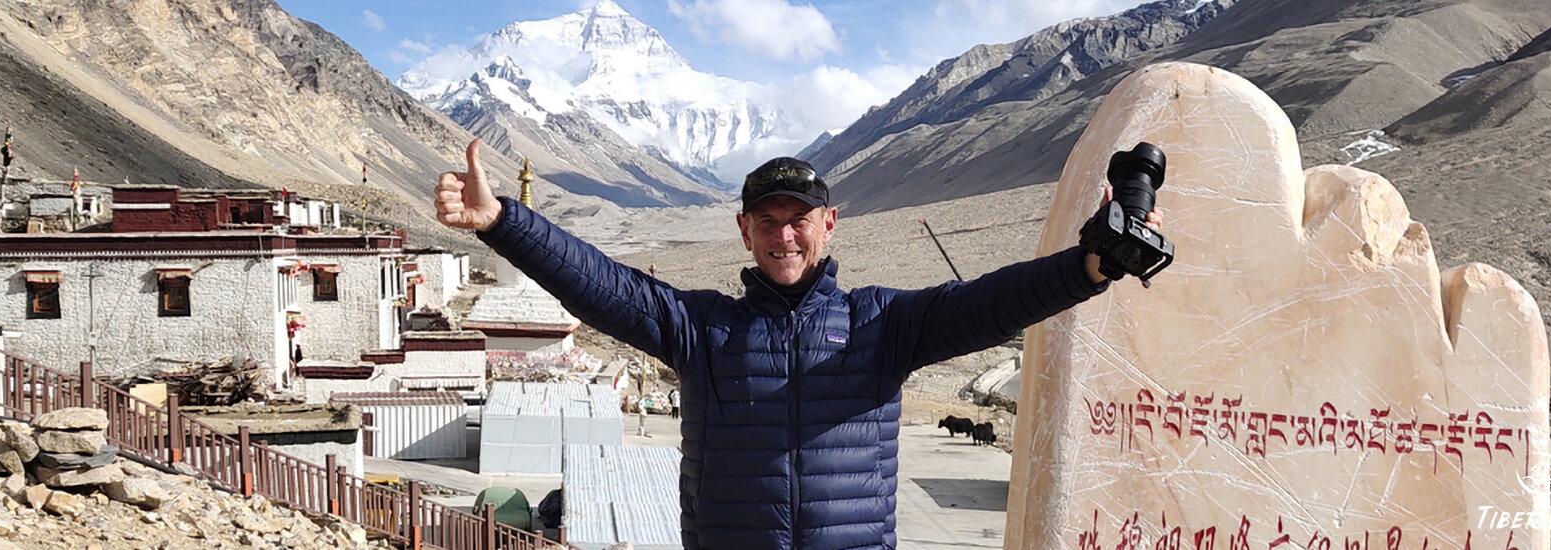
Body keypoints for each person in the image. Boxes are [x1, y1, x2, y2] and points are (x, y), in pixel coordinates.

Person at [435, 139, 1161, 549]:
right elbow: (602, 285)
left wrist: (1089, 265)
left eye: (800, 218)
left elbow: (987, 306)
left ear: (830, 223)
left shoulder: (884, 324)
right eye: (768, 220)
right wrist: (503, 222)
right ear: (744, 231)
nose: (785, 234)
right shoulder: (703, 329)